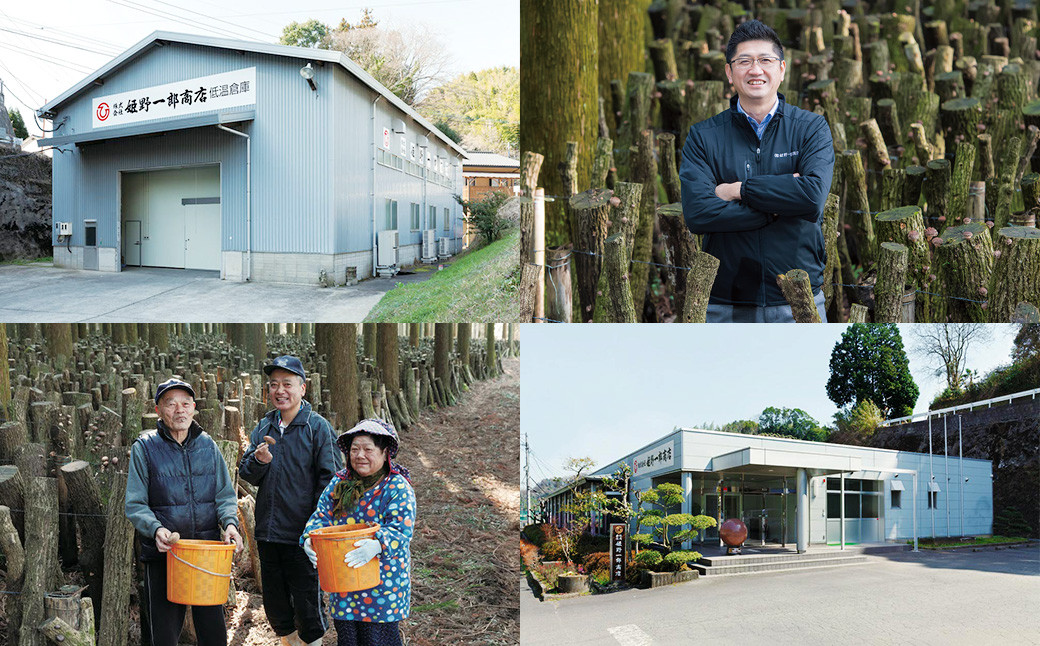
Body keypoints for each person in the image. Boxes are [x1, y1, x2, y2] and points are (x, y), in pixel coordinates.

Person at [680, 19, 834, 323]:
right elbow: (698, 214)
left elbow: (812, 199)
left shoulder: (811, 129)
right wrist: (777, 209)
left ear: (782, 69)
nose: (755, 69)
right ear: (729, 72)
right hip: (725, 301)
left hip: (798, 296)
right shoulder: (704, 136)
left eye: (765, 60)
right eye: (744, 61)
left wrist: (739, 190)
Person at [125, 378, 243, 646]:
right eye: (171, 404)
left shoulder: (208, 446)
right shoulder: (144, 448)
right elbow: (135, 504)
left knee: (213, 634)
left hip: (206, 554)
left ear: (194, 408)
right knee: (164, 637)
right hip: (166, 554)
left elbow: (224, 496)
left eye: (186, 403)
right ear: (158, 410)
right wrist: (155, 529)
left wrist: (230, 525)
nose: (179, 410)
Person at [239, 355, 342, 646]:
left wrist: (316, 527)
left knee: (308, 606)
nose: (279, 391)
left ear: (302, 389)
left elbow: (331, 482)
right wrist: (259, 461)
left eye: (287, 384)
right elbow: (248, 473)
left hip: (302, 535)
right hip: (269, 533)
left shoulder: (316, 428)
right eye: (273, 385)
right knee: (276, 607)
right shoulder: (264, 426)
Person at [301, 419, 416, 646]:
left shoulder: (396, 487)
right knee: (348, 639)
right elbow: (321, 517)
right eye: (355, 449)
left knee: (378, 640)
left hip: (383, 584)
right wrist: (309, 539)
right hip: (344, 578)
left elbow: (401, 529)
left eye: (367, 449)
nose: (360, 455)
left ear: (385, 453)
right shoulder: (340, 482)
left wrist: (377, 544)